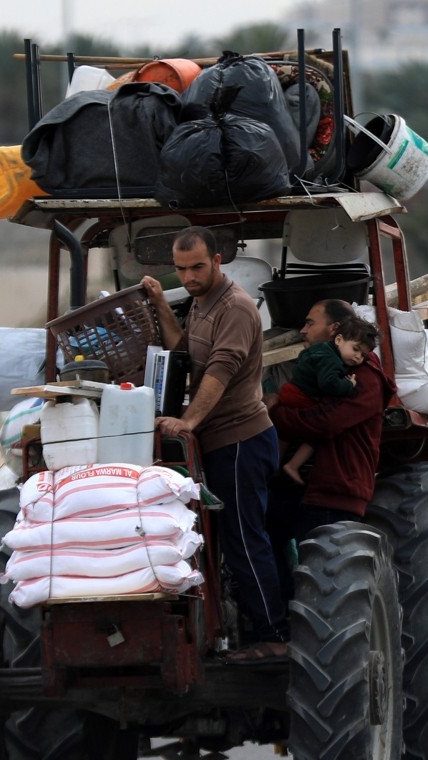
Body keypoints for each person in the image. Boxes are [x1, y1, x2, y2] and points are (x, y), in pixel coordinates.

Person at [141, 227, 286, 663]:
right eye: (181, 269)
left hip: (241, 439)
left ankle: (274, 636)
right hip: (217, 440)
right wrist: (163, 306)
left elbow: (218, 374)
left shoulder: (237, 308)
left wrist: (186, 422)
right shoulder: (201, 304)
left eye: (197, 267)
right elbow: (186, 352)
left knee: (245, 539)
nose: (189, 276)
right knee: (218, 541)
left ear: (218, 260)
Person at [265, 302, 395, 544]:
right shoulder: (324, 362)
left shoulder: (364, 377)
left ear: (335, 330)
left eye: (310, 323)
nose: (303, 330)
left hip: (332, 496)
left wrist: (276, 414)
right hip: (301, 491)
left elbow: (326, 422)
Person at [278, 314, 379, 485]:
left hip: (291, 392)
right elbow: (328, 384)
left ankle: (275, 463)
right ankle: (293, 465)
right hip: (301, 396)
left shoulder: (321, 350)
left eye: (363, 355)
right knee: (318, 433)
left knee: (285, 434)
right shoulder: (331, 360)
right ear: (338, 339)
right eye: (355, 349)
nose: (358, 358)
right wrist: (349, 386)